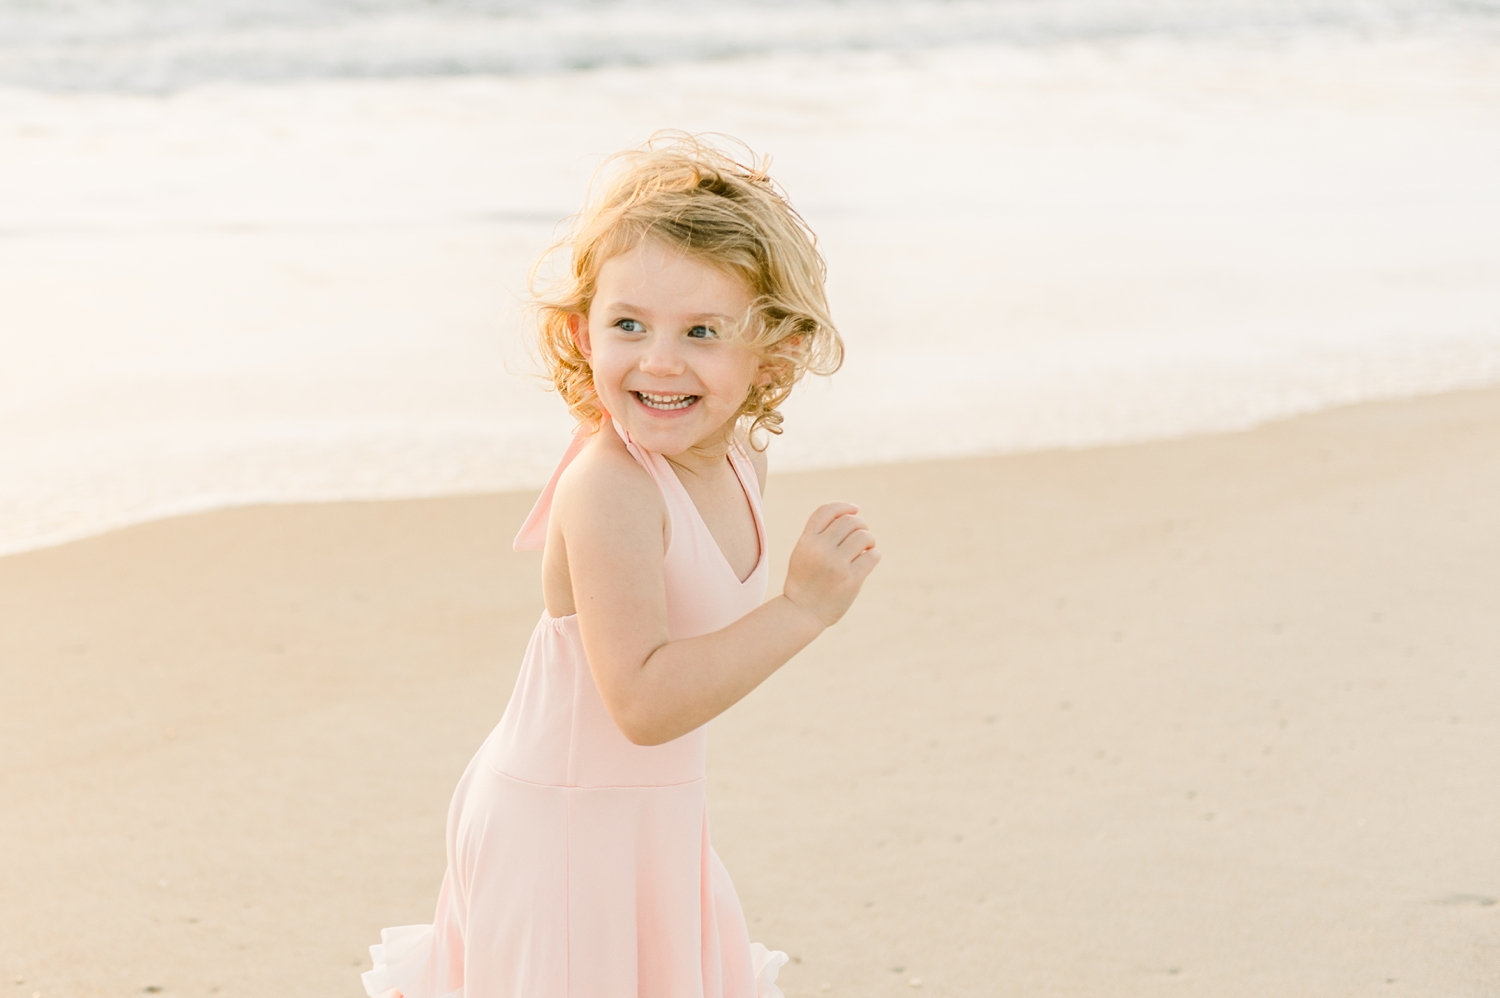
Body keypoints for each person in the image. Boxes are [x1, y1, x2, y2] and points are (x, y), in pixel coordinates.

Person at [362, 132, 880, 998]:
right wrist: (800, 610)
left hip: (653, 820)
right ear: (581, 331)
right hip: (559, 826)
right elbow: (641, 702)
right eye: (628, 325)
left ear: (774, 351)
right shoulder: (610, 488)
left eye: (703, 332)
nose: (660, 361)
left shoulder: (742, 462)